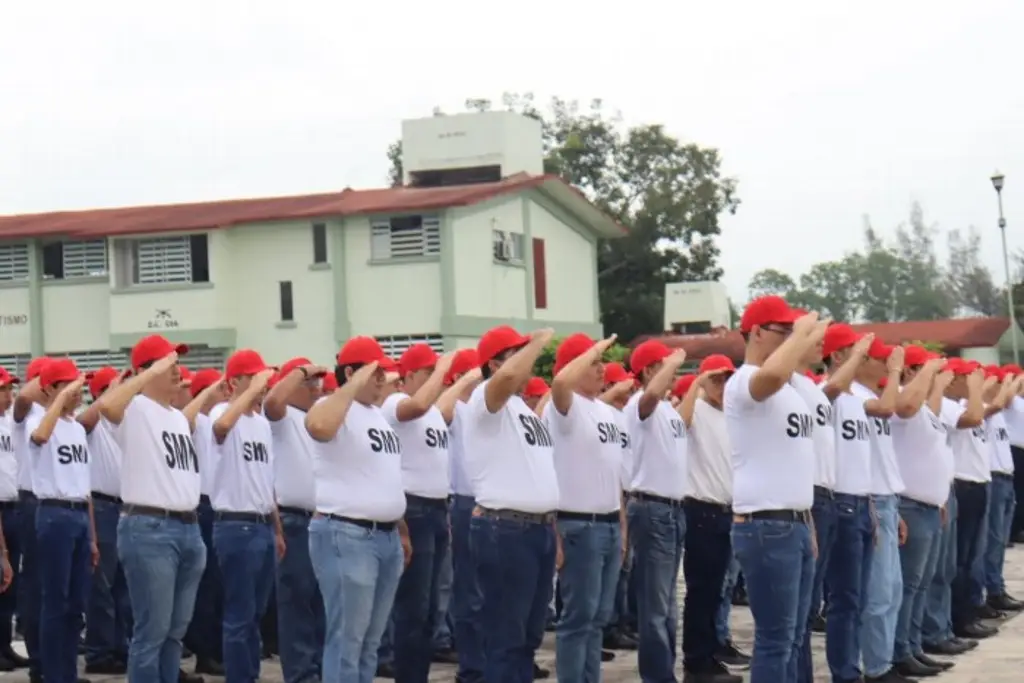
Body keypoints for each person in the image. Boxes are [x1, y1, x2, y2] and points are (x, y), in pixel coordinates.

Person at [723, 297, 826, 683]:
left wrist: (808, 522)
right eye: (783, 331)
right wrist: (801, 335)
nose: (791, 340)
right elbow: (768, 378)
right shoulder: (743, 382)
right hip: (766, 524)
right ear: (757, 332)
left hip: (794, 522)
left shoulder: (791, 390)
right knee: (775, 640)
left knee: (795, 637)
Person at [96, 335, 210, 683]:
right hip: (150, 528)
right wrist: (144, 374)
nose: (177, 371)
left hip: (188, 528)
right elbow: (106, 407)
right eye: (168, 364)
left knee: (175, 631)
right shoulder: (133, 408)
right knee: (152, 631)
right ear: (147, 371)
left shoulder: (175, 416)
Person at [306, 337, 410, 683]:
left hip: (384, 536)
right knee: (347, 640)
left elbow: (383, 477)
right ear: (351, 373)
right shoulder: (335, 408)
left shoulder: (376, 416)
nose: (383, 379)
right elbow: (318, 427)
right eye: (375, 372)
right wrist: (350, 386)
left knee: (369, 643)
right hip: (347, 534)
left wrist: (401, 528)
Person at [462, 325, 559, 683]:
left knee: (528, 638)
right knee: (506, 637)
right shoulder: (485, 401)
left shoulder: (523, 409)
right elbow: (505, 378)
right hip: (505, 529)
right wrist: (536, 344)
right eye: (514, 354)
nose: (527, 364)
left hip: (537, 528)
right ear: (494, 364)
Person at [547, 333, 624, 683]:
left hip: (608, 524)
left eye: (600, 362)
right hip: (579, 525)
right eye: (592, 362)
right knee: (578, 619)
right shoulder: (565, 408)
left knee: (597, 619)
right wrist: (592, 348)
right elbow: (560, 382)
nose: (601, 367)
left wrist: (622, 528)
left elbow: (614, 473)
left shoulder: (607, 412)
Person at [379, 344, 454, 683]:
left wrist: (460, 376)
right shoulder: (396, 403)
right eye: (427, 373)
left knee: (431, 611)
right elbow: (419, 404)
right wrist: (444, 370)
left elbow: (438, 405)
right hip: (415, 509)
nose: (436, 380)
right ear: (408, 376)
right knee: (414, 607)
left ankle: (417, 674)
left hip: (437, 509)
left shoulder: (433, 412)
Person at [210, 349, 283, 683]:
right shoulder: (225, 411)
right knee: (240, 614)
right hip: (235, 524)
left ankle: (249, 674)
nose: (261, 385)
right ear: (234, 382)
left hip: (261, 524)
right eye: (251, 378)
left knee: (256, 614)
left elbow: (267, 485)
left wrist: (277, 530)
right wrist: (252, 390)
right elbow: (222, 427)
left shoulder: (262, 425)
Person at [624, 338, 690, 683]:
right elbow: (649, 396)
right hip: (652, 508)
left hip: (673, 511)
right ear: (650, 369)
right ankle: (657, 677)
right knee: (655, 604)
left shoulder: (668, 410)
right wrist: (671, 364)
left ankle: (666, 670)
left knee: (667, 604)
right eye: (664, 366)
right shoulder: (641, 403)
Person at [27, 358, 97, 683]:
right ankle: (53, 674)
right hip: (54, 513)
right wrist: (56, 401)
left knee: (75, 605)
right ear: (52, 389)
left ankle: (68, 672)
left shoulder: (76, 429)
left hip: (79, 515)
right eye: (69, 385)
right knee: (55, 601)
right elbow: (40, 437)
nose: (77, 391)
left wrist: (93, 536)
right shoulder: (38, 419)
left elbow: (86, 487)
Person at [815, 327, 879, 683]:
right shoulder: (828, 394)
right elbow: (829, 390)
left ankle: (849, 668)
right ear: (838, 356)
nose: (865, 359)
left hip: (861, 501)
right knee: (843, 598)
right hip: (838, 503)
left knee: (856, 598)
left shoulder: (855, 398)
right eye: (857, 352)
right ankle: (845, 672)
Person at [675, 354, 742, 683]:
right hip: (701, 510)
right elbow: (679, 423)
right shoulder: (696, 409)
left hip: (727, 510)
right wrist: (697, 386)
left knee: (718, 590)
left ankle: (711, 651)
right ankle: (695, 661)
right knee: (701, 590)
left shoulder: (730, 414)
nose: (722, 386)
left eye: (727, 380)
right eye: (716, 379)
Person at [888, 347, 955, 676]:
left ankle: (913, 645)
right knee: (909, 584)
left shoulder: (926, 409)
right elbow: (907, 407)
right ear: (911, 371)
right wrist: (928, 371)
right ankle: (901, 649)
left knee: (922, 582)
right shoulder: (904, 399)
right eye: (926, 369)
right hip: (911, 505)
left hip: (929, 506)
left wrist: (939, 497)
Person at [263, 357, 329, 683]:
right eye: (309, 382)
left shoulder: (318, 419)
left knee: (322, 605)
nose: (316, 387)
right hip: (296, 522)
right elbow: (272, 400)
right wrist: (299, 372)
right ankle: (302, 675)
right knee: (298, 606)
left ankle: (318, 670)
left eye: (318, 382)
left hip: (324, 523)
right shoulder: (283, 417)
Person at [436, 350, 485, 683]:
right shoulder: (457, 409)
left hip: (488, 503)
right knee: (469, 592)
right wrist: (463, 379)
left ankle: (487, 659)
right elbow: (442, 409)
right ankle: (472, 667)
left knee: (489, 592)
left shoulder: (483, 408)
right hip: (464, 502)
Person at [78, 367, 131, 675]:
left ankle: (120, 646)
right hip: (101, 507)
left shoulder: (124, 423)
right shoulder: (93, 423)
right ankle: (100, 652)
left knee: (123, 587)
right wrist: (111, 390)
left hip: (125, 507)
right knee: (103, 585)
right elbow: (86, 420)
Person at [941, 361, 998, 641]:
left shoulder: (961, 404)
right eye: (967, 377)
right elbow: (975, 417)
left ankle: (968, 612)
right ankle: (960, 618)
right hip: (962, 484)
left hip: (976, 483)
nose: (973, 381)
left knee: (971, 556)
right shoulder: (949, 406)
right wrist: (977, 389)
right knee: (960, 559)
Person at [183, 367, 229, 677]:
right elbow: (186, 418)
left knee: (217, 586)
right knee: (206, 587)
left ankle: (214, 648)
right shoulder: (197, 421)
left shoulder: (219, 421)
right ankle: (204, 651)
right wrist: (200, 397)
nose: (226, 393)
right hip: (201, 505)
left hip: (217, 505)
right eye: (219, 388)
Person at [11, 356, 51, 683]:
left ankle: (56, 662)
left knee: (58, 591)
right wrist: (48, 379)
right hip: (33, 504)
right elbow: (23, 397)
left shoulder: (61, 417)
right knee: (37, 588)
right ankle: (40, 662)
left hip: (57, 506)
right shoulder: (26, 415)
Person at [990, 365, 1024, 610]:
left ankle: (996, 586)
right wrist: (1012, 380)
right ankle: (991, 589)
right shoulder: (997, 405)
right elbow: (1008, 397)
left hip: (1006, 470)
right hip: (994, 474)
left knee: (997, 541)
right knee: (990, 541)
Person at [0, 366, 26, 671]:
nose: (9, 396)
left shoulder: (9, 424)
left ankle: (5, 644)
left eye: (10, 390)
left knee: (10, 583)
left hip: (12, 506)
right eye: (3, 390)